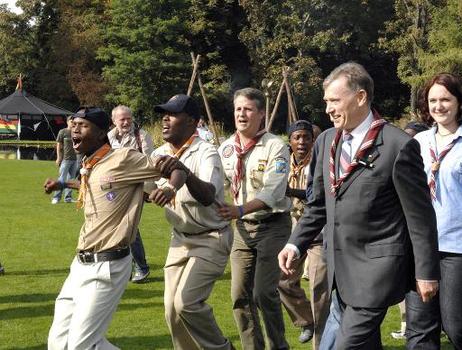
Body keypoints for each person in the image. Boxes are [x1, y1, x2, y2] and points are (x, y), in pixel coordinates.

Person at [278, 62, 440, 350]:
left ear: (361, 97)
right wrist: (295, 244)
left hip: (377, 271)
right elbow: (318, 205)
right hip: (338, 271)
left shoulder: (397, 145)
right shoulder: (326, 140)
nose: (327, 108)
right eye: (326, 101)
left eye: (334, 100)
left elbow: (420, 217)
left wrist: (426, 271)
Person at [44, 107, 187, 350]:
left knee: (83, 346)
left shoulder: (123, 158)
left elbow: (176, 167)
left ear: (102, 133)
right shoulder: (91, 163)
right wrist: (62, 183)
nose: (74, 129)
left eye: (83, 125)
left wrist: (169, 189)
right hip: (80, 263)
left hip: (107, 264)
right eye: (74, 124)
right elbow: (98, 185)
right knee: (58, 343)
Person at [151, 94, 234, 350]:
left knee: (186, 303)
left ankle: (222, 348)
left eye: (173, 113)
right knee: (171, 312)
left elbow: (208, 195)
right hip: (179, 239)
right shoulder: (158, 153)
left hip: (211, 237)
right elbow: (143, 191)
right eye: (164, 113)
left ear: (192, 122)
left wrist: (184, 173)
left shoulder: (207, 152)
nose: (165, 118)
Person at [217, 87, 291, 350]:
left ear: (261, 113)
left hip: (273, 224)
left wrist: (239, 209)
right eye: (238, 108)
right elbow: (216, 185)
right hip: (242, 230)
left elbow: (274, 190)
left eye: (248, 109)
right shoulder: (226, 149)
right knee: (238, 295)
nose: (241, 114)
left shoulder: (276, 146)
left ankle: (278, 346)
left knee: (263, 293)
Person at [406, 73, 462, 349]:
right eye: (433, 100)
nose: (439, 106)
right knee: (419, 330)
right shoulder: (417, 143)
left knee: (455, 325)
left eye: (446, 99)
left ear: (459, 103)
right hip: (420, 247)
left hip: (456, 248)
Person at [278, 119, 330, 349]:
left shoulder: (320, 162)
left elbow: (322, 197)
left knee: (319, 288)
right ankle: (306, 320)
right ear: (289, 140)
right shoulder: (282, 163)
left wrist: (292, 191)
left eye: (306, 137)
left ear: (313, 140)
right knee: (282, 281)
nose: (302, 142)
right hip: (293, 232)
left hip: (318, 232)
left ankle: (321, 345)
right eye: (297, 137)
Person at [390, 121, 429, 340]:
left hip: (448, 242)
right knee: (419, 325)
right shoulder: (399, 162)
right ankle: (408, 327)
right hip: (408, 241)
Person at [108, 105, 154, 283]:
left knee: (129, 226)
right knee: (115, 226)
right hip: (114, 189)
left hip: (136, 188)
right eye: (122, 119)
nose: (127, 122)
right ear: (114, 121)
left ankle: (141, 268)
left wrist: (146, 191)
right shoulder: (109, 137)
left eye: (129, 118)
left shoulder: (142, 136)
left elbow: (151, 164)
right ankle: (125, 268)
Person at [51, 115, 79, 204]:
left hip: (75, 159)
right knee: (61, 179)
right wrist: (58, 157)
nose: (73, 123)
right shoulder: (62, 132)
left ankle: (68, 198)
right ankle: (56, 198)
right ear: (67, 122)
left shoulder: (77, 132)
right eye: (71, 121)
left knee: (71, 180)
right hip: (65, 159)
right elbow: (58, 145)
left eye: (74, 122)